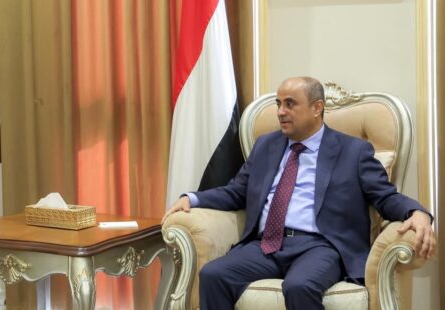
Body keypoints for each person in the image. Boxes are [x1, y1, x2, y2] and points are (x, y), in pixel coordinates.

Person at [162, 77, 436, 309]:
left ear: (317, 108)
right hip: (266, 244)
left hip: (319, 246)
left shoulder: (352, 151)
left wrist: (417, 213)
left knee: (299, 286)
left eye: (290, 104)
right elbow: (237, 192)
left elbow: (385, 197)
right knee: (213, 274)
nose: (281, 112)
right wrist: (192, 198)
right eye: (278, 104)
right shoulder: (266, 145)